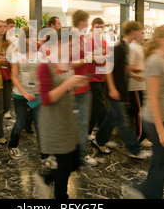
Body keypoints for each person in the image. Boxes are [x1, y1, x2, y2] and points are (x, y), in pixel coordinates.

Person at [123, 25, 164, 199]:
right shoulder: (156, 61)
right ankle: (141, 190)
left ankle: (150, 195)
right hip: (154, 121)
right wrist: (162, 131)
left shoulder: (162, 60)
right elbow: (153, 98)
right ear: (161, 39)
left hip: (160, 119)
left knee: (159, 161)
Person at [36, 27, 90, 199]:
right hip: (54, 122)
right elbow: (46, 99)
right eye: (71, 45)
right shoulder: (45, 67)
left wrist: (74, 83)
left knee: (75, 162)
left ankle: (46, 176)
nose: (74, 49)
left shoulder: (66, 64)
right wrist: (69, 84)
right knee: (66, 165)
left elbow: (65, 88)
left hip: (67, 120)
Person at [91, 21, 152, 161]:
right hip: (116, 91)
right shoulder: (118, 48)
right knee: (123, 122)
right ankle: (134, 151)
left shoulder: (125, 47)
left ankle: (99, 140)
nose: (142, 34)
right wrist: (112, 88)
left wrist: (133, 75)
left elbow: (123, 68)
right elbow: (107, 68)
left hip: (120, 90)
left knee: (112, 119)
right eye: (140, 31)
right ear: (133, 32)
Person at [7, 26, 47, 161]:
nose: (33, 40)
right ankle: (12, 146)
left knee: (40, 123)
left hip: (36, 94)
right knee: (20, 122)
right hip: (20, 94)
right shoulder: (17, 55)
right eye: (30, 37)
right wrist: (24, 93)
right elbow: (14, 77)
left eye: (35, 37)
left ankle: (45, 152)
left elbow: (44, 74)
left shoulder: (40, 55)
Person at [71, 10, 97, 166]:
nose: (88, 24)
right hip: (73, 87)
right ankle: (80, 154)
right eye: (87, 21)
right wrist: (88, 58)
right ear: (81, 22)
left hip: (83, 85)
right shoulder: (72, 39)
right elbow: (68, 63)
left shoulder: (83, 39)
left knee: (82, 122)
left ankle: (80, 152)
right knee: (79, 122)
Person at [127, 24, 153, 148]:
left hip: (141, 84)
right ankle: (140, 137)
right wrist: (140, 71)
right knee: (140, 111)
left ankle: (143, 134)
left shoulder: (139, 47)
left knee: (142, 110)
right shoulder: (132, 47)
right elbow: (128, 67)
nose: (143, 36)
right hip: (136, 85)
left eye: (143, 33)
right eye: (141, 33)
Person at [87, 18, 108, 141]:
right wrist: (101, 56)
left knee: (95, 108)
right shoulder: (88, 42)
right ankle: (102, 137)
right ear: (92, 28)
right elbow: (88, 58)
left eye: (102, 27)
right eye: (97, 27)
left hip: (101, 77)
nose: (100, 29)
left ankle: (88, 132)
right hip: (91, 78)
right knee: (101, 108)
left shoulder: (105, 43)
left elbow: (105, 62)